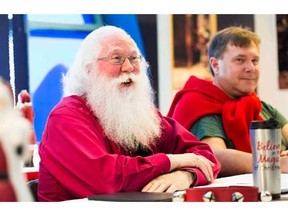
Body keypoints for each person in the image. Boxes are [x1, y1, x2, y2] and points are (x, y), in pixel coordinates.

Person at [37, 25, 221, 202]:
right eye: (116, 58)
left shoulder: (141, 114)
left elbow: (205, 156)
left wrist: (187, 175)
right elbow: (106, 179)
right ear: (88, 69)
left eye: (134, 58)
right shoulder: (66, 117)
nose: (129, 67)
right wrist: (172, 161)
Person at [167, 26, 288, 177]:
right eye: (240, 60)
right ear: (215, 65)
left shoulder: (259, 105)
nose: (251, 68)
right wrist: (274, 163)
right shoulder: (198, 105)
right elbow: (215, 156)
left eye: (255, 61)